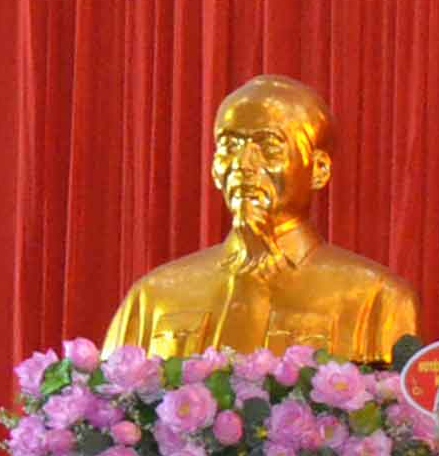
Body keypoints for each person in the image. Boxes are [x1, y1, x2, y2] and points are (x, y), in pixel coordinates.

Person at [103, 72, 418, 360]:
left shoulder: (376, 298)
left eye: (268, 146)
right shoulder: (153, 296)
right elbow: (109, 397)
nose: (243, 164)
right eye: (230, 145)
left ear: (318, 169)